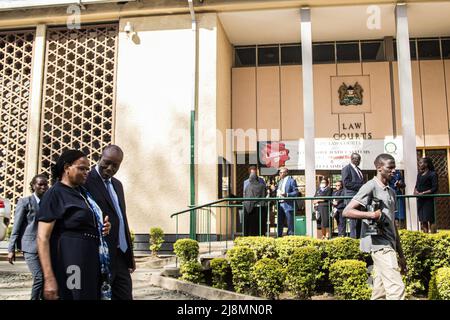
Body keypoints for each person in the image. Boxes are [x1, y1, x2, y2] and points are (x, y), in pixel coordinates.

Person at [37, 150, 111, 300]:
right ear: (67, 168)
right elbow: (42, 238)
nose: (86, 173)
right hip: (72, 264)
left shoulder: (83, 193)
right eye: (81, 168)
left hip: (90, 261)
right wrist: (49, 278)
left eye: (87, 169)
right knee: (74, 295)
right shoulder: (55, 194)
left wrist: (103, 227)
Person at [343, 153, 407, 300]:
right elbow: (347, 211)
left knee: (380, 292)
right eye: (390, 168)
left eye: (394, 168)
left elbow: (393, 225)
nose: (393, 171)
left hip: (389, 244)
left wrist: (401, 255)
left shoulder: (391, 192)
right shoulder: (370, 186)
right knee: (396, 289)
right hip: (379, 245)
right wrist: (371, 215)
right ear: (379, 168)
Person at [85, 145, 135, 300]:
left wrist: (129, 254)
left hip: (120, 254)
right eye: (107, 162)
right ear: (99, 158)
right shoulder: (86, 180)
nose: (110, 167)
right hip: (100, 254)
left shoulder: (117, 185)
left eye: (116, 165)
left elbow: (122, 219)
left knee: (125, 295)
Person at [7, 174, 49, 300]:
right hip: (30, 246)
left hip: (45, 247)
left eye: (45, 184)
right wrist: (11, 249)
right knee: (39, 277)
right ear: (33, 186)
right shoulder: (25, 202)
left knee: (46, 278)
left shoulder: (49, 202)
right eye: (40, 184)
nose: (43, 187)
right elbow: (17, 227)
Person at [342, 152, 365, 238]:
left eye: (359, 159)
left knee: (359, 219)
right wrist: (361, 186)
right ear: (353, 159)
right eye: (358, 159)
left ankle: (359, 239)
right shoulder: (346, 169)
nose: (359, 161)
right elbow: (346, 183)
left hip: (359, 197)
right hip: (351, 197)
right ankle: (354, 239)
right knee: (353, 221)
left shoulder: (359, 170)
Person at [414, 157, 438, 234]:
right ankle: (425, 237)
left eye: (421, 163)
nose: (419, 164)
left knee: (431, 219)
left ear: (426, 164)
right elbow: (416, 185)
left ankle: (433, 237)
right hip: (420, 200)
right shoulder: (419, 174)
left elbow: (435, 188)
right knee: (423, 220)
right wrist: (415, 191)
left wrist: (423, 193)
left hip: (429, 200)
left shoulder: (432, 174)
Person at [276, 167, 299, 237]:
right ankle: (279, 235)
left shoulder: (291, 181)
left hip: (288, 204)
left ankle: (290, 235)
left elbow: (296, 192)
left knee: (290, 221)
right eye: (279, 172)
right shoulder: (280, 181)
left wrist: (287, 194)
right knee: (280, 220)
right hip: (280, 203)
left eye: (282, 172)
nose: (280, 174)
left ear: (286, 173)